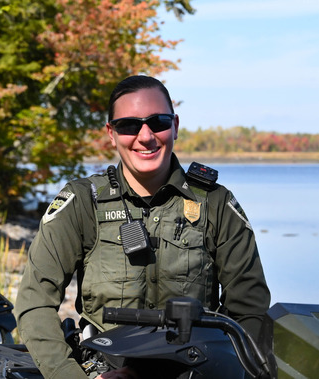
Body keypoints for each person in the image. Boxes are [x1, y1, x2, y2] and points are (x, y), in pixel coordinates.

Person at [14, 75, 270, 378]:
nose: (145, 136)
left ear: (174, 125)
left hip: (194, 369)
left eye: (157, 122)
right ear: (111, 133)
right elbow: (35, 303)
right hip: (103, 369)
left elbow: (249, 311)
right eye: (129, 125)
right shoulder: (83, 202)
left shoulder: (216, 204)